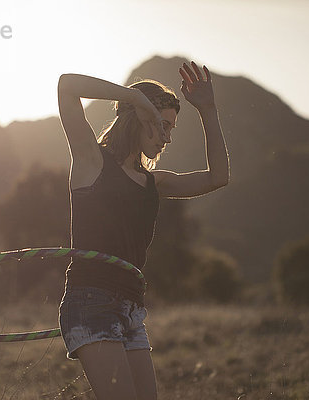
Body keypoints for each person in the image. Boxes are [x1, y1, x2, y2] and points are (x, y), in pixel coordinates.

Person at [57, 60, 229, 400]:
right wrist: (134, 97)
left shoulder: (154, 181)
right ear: (138, 118)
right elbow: (66, 85)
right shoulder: (93, 161)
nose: (167, 137)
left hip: (131, 308)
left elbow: (218, 177)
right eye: (162, 125)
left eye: (172, 129)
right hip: (91, 300)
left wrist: (208, 109)